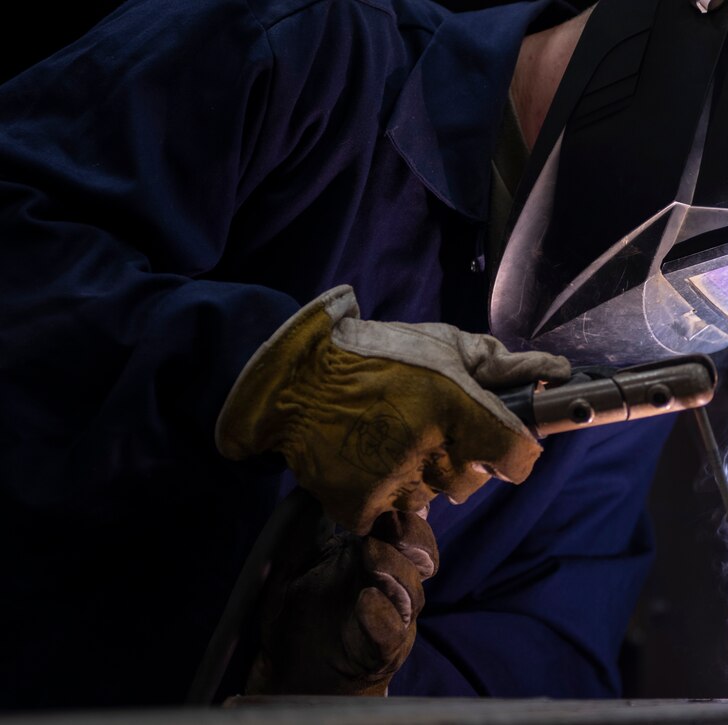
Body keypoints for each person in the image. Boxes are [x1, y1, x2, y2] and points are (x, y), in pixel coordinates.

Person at [0, 0, 679, 708]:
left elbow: (537, 660)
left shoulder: (630, 358)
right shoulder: (308, 50)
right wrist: (267, 374)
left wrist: (364, 678)